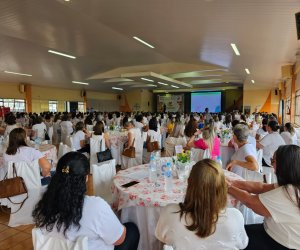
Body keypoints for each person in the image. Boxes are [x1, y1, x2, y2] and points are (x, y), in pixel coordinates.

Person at [33, 152, 139, 250]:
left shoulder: (44, 203)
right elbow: (119, 240)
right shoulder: (95, 206)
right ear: (86, 179)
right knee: (132, 230)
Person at [155, 159, 248, 249]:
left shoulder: (170, 213)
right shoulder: (235, 217)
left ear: (189, 183)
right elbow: (242, 244)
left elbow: (161, 237)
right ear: (224, 187)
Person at [227, 145, 300, 250]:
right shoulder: (293, 183)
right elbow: (262, 187)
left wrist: (227, 187)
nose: (271, 164)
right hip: (273, 232)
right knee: (235, 231)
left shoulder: (289, 192)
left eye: (273, 160)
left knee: (231, 237)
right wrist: (234, 183)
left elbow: (250, 201)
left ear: (284, 165)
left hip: (279, 244)